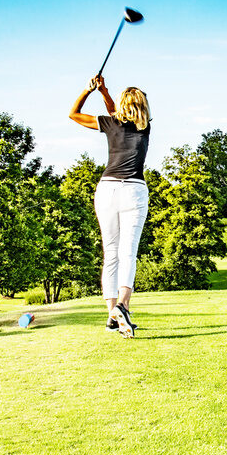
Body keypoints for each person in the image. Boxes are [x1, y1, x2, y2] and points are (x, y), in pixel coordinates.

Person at [69, 75, 151, 338]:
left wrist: (90, 90)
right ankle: (122, 307)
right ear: (142, 105)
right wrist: (104, 92)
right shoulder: (145, 126)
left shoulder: (111, 123)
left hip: (107, 190)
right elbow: (115, 111)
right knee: (128, 252)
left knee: (111, 253)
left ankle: (111, 316)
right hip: (134, 190)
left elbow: (74, 114)